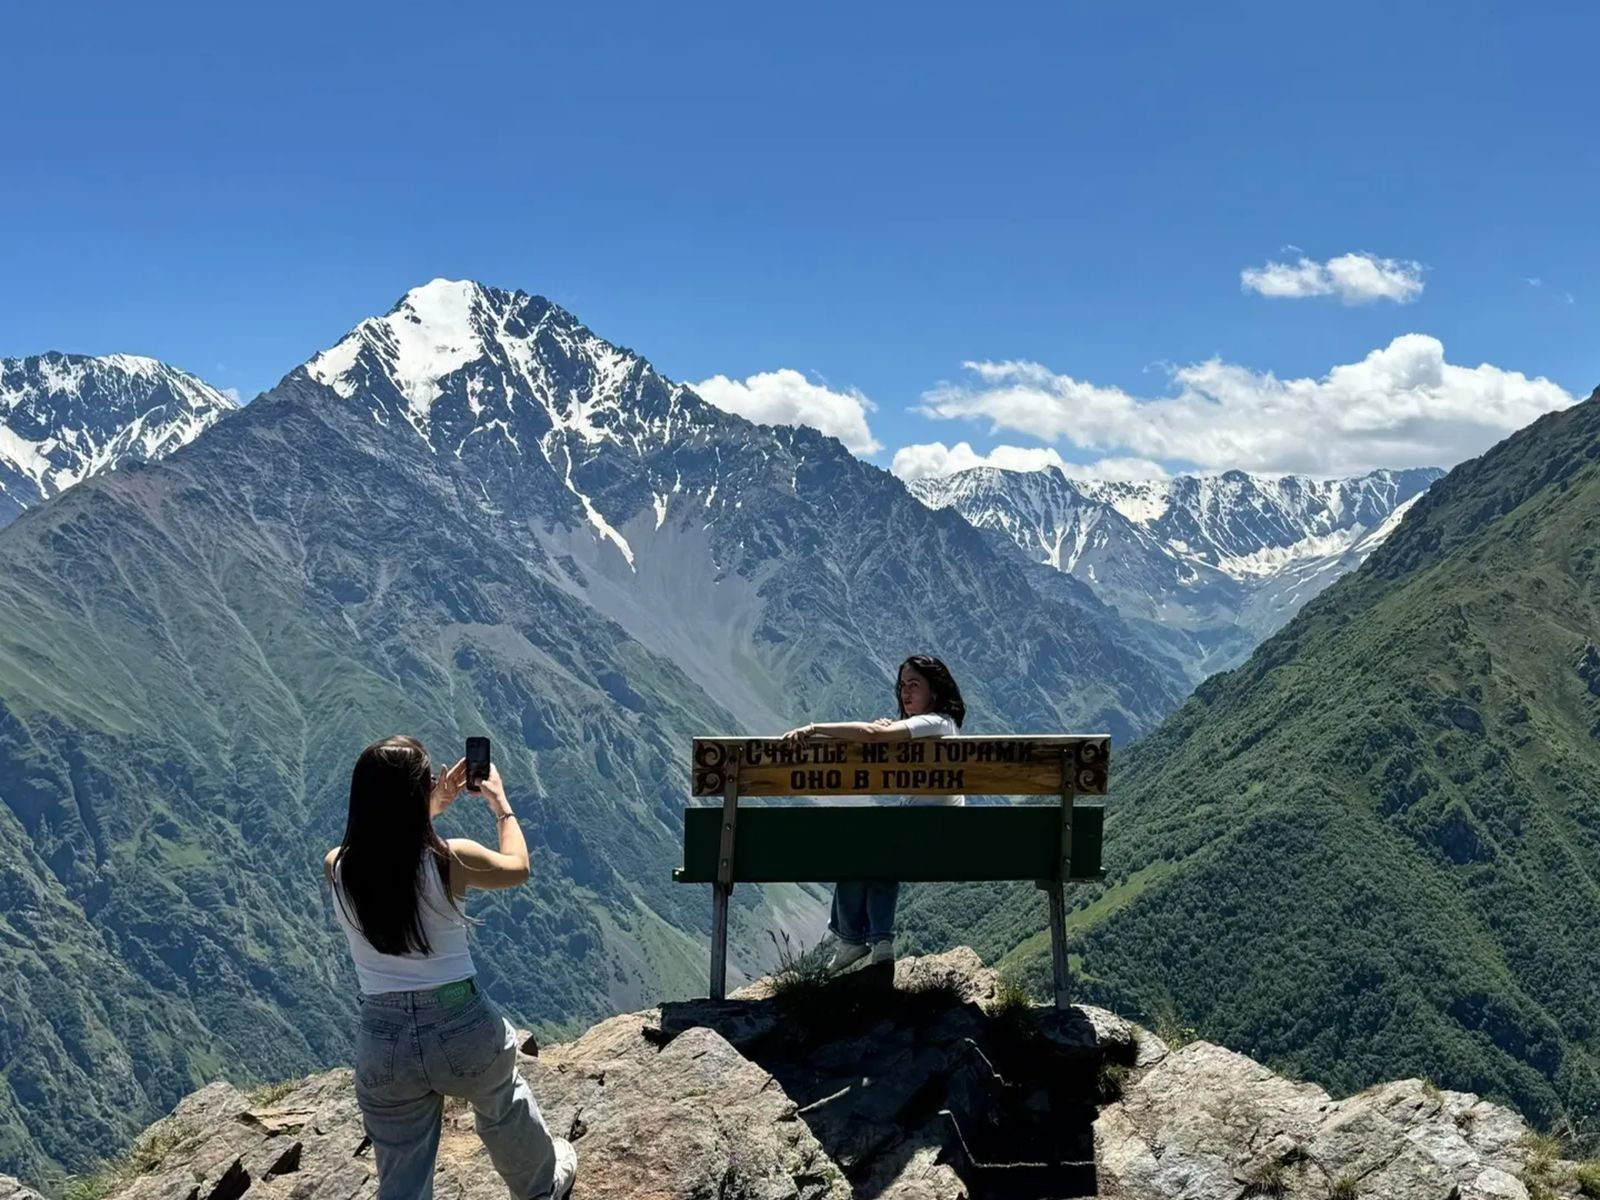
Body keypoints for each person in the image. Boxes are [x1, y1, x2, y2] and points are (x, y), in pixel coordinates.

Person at [324, 735, 577, 1200]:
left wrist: (427, 806)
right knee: (501, 1100)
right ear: (419, 795)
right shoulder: (450, 859)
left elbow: (390, 854)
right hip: (462, 1024)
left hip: (383, 1041)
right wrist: (500, 804)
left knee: (401, 1162)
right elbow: (518, 866)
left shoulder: (338, 866)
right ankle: (541, 1187)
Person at [782, 654, 967, 971]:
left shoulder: (934, 722)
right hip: (932, 835)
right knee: (876, 844)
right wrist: (890, 727)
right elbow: (886, 732)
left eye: (914, 685)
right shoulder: (938, 726)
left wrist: (814, 729)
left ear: (934, 692)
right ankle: (879, 943)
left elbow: (872, 735)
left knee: (861, 843)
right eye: (902, 686)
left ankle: (851, 938)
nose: (905, 693)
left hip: (928, 839)